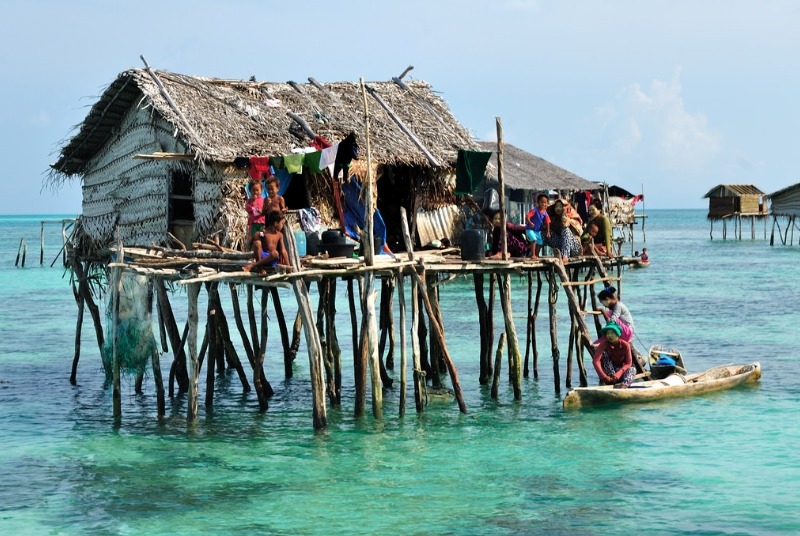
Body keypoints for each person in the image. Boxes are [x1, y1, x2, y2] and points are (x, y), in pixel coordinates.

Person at [592, 322, 635, 387]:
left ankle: (624, 386)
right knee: (604, 354)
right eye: (608, 333)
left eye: (612, 333)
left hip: (621, 370)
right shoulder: (603, 345)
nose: (610, 335)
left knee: (632, 369)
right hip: (609, 372)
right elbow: (596, 361)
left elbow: (628, 363)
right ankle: (611, 381)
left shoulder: (625, 345)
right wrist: (604, 377)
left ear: (617, 334)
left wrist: (618, 374)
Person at [525, 193, 551, 258]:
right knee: (534, 240)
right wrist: (530, 222)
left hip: (537, 231)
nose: (543, 204)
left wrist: (548, 231)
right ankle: (533, 254)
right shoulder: (534, 210)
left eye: (545, 202)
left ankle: (537, 254)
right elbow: (527, 216)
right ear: (538, 203)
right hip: (530, 229)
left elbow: (548, 222)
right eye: (542, 202)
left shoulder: (545, 213)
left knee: (540, 242)